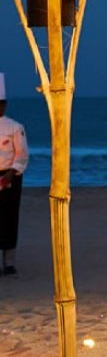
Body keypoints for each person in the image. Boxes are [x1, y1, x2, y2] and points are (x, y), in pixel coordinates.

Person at [0, 73, 29, 277]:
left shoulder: (15, 127)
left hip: (10, 176)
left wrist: (11, 173)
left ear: (5, 105)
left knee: (9, 218)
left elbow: (22, 154)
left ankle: (9, 263)